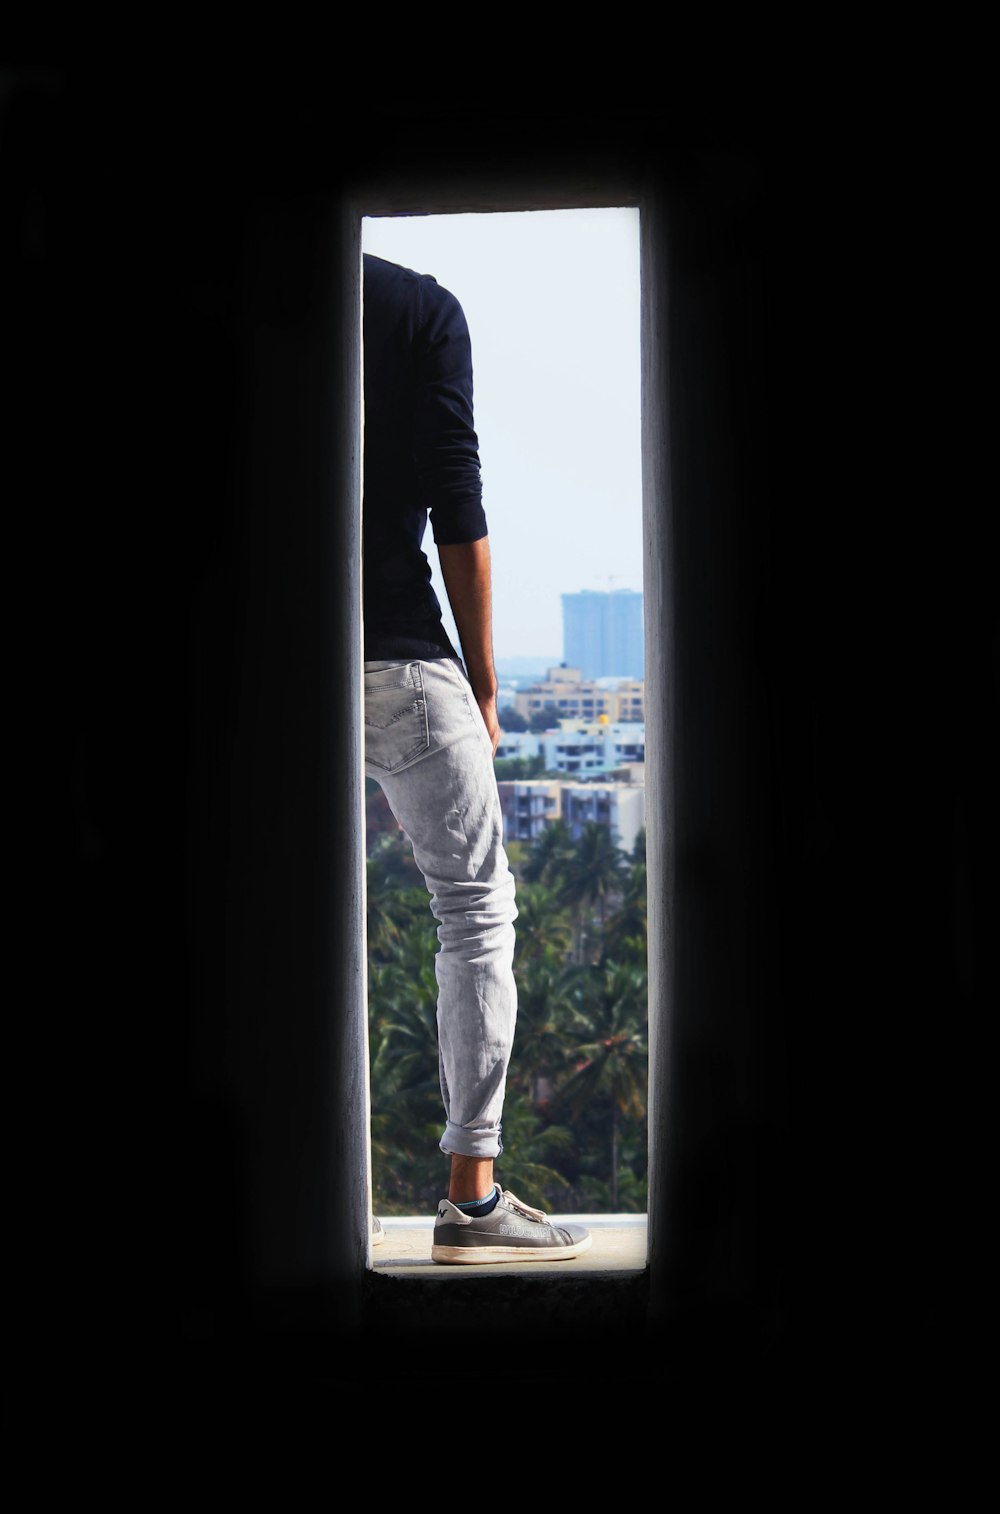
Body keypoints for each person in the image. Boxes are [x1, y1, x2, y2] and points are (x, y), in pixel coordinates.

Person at [362, 251, 591, 1264]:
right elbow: (458, 504)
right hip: (394, 653)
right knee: (474, 906)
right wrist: (486, 682)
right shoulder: (416, 309)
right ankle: (470, 1193)